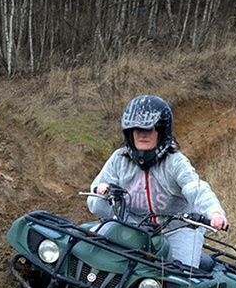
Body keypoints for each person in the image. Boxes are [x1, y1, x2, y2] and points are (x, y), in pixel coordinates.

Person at [88, 95, 228, 268]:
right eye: (136, 129)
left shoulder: (175, 162)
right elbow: (96, 207)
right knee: (86, 248)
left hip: (177, 230)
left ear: (161, 131)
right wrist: (103, 193)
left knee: (180, 277)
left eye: (149, 129)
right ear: (129, 132)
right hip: (131, 228)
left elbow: (195, 188)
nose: (142, 134)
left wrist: (214, 212)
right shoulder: (119, 160)